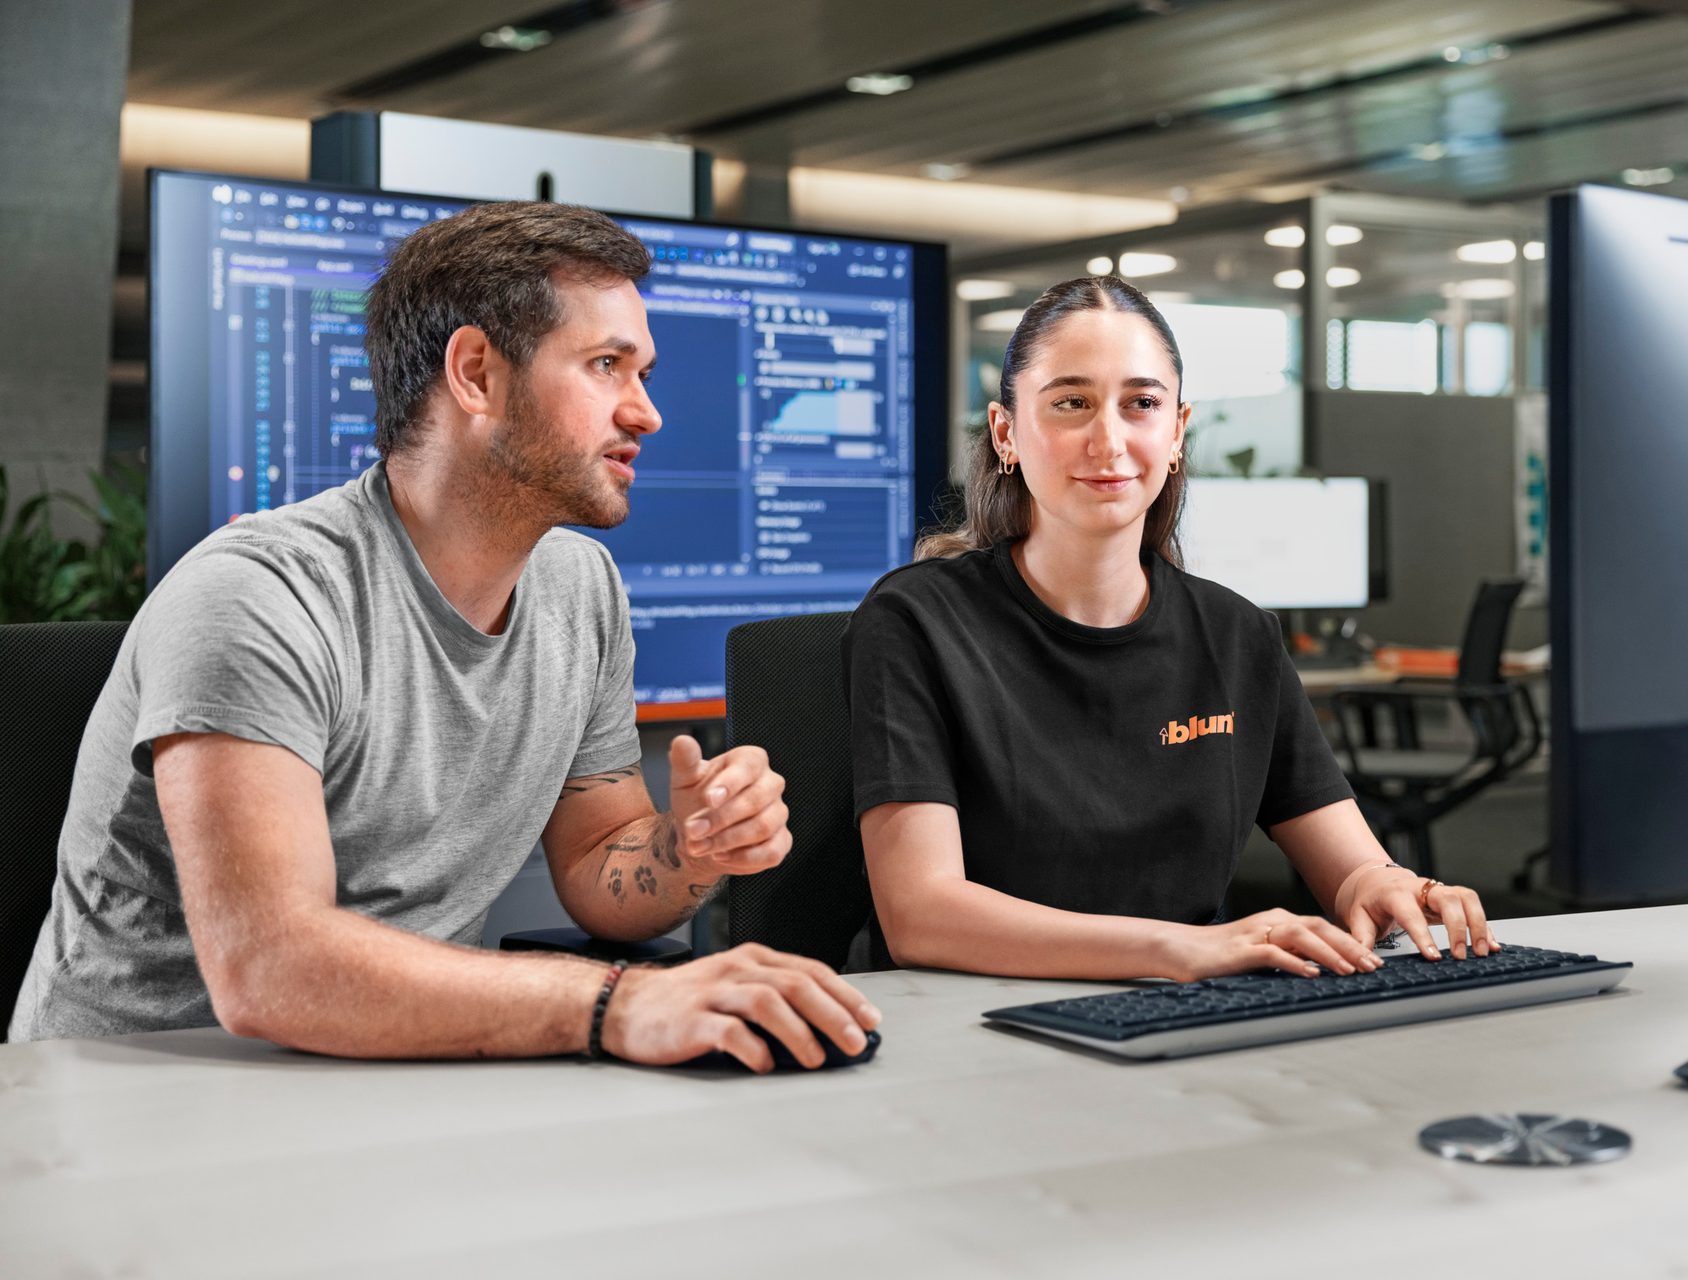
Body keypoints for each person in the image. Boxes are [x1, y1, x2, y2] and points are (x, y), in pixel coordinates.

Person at [10, 202, 880, 1071]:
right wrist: (618, 1004)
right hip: (140, 1090)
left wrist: (687, 851)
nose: (645, 412)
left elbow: (597, 867)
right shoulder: (259, 595)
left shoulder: (582, 590)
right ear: (475, 374)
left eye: (641, 373)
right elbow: (269, 968)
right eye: (606, 366)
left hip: (398, 1069)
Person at [846, 275, 1496, 982]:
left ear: (1177, 430)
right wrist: (1178, 949)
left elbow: (1353, 866)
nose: (1108, 441)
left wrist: (1389, 884)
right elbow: (921, 914)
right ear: (1006, 432)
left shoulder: (1236, 634)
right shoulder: (917, 621)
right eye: (1071, 403)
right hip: (976, 1017)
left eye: (1142, 404)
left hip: (1188, 1012)